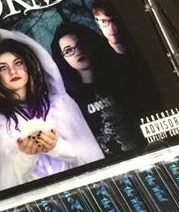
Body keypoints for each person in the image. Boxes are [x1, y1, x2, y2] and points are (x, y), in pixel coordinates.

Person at [0, 29, 103, 193]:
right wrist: (26, 156)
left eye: (18, 63)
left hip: (81, 191)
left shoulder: (60, 104)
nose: (13, 71)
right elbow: (4, 183)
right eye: (2, 68)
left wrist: (56, 147)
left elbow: (91, 157)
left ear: (29, 64)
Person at [51, 21, 147, 156]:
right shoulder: (68, 99)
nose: (77, 51)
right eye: (68, 50)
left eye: (81, 44)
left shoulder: (126, 75)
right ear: (62, 59)